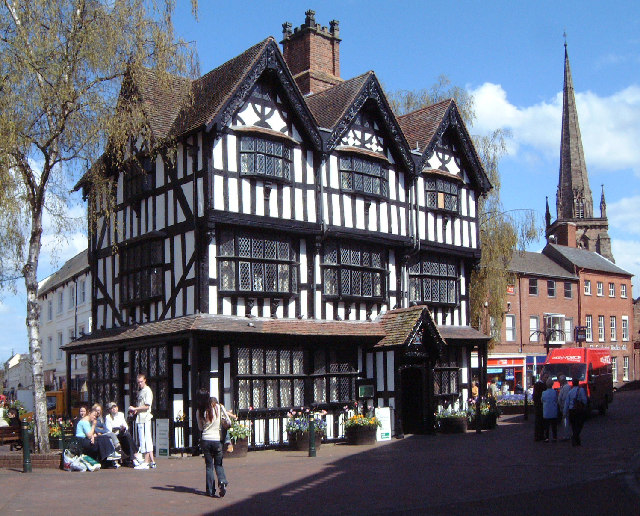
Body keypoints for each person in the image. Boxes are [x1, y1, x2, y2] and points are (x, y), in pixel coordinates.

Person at [196, 389, 229, 498]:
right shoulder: (218, 407)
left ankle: (210, 490)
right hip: (217, 439)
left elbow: (200, 428)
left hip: (206, 439)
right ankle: (222, 480)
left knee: (209, 466)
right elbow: (227, 421)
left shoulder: (199, 411)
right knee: (218, 464)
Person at [129, 373, 155, 469]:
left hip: (145, 417)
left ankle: (146, 462)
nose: (140, 384)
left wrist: (135, 408)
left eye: (141, 381)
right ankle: (149, 461)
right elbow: (141, 405)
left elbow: (147, 406)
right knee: (142, 439)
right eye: (138, 382)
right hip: (140, 417)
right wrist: (136, 411)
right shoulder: (141, 391)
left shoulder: (147, 391)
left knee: (146, 439)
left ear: (145, 380)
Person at [105, 401, 137, 466]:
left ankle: (132, 457)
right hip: (115, 435)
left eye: (115, 407)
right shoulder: (108, 417)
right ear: (110, 410)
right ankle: (134, 455)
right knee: (127, 436)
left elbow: (126, 426)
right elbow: (109, 430)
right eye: (112, 408)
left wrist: (123, 428)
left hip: (122, 433)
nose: (114, 409)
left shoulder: (121, 414)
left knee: (127, 435)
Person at [564, 378, 588, 446]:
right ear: (578, 383)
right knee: (580, 425)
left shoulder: (570, 392)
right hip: (579, 410)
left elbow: (567, 403)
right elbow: (584, 400)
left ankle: (576, 440)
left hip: (571, 410)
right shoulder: (581, 390)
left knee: (574, 426)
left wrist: (565, 412)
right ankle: (575, 437)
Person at [541, 377, 558, 442]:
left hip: (546, 411)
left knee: (546, 425)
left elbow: (542, 400)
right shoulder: (555, 392)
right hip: (553, 410)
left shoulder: (544, 393)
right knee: (554, 425)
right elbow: (557, 400)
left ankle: (547, 437)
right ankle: (554, 437)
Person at [532, 373, 548, 442]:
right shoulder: (542, 385)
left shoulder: (537, 385)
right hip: (540, 405)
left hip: (538, 405)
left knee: (539, 421)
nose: (546, 379)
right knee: (540, 421)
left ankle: (538, 436)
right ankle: (539, 436)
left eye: (547, 378)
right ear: (542, 378)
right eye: (545, 377)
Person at [557, 375, 572, 441]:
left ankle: (567, 435)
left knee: (566, 421)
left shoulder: (566, 387)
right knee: (565, 421)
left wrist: (561, 404)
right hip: (563, 405)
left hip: (565, 406)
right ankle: (567, 434)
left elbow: (564, 398)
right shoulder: (564, 387)